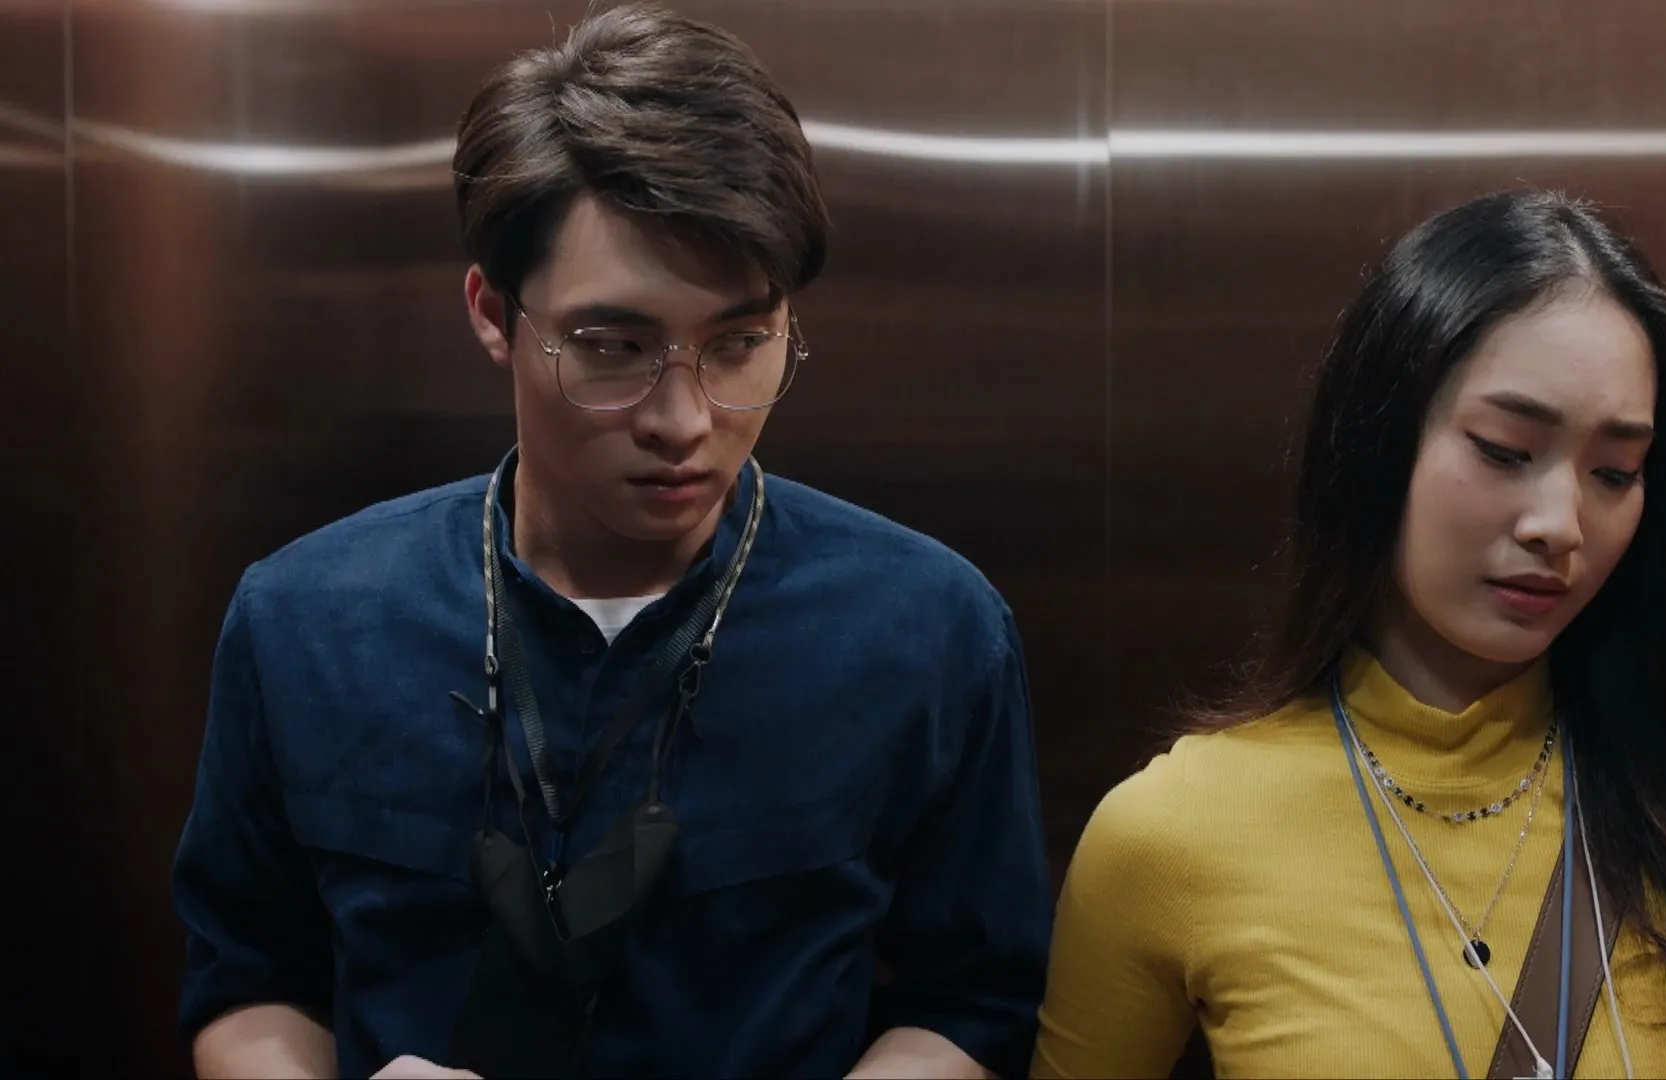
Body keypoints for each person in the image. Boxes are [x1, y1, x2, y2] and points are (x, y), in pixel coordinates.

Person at [170, 5, 1051, 1078]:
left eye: (741, 342)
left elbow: (973, 999)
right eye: (613, 346)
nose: (684, 420)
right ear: (493, 313)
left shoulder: (930, 630)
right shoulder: (305, 621)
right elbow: (248, 982)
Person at [1031, 190, 1666, 1078]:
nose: (1560, 525)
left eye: (1615, 472)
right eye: (1505, 450)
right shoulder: (1171, 836)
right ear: (1378, 443)